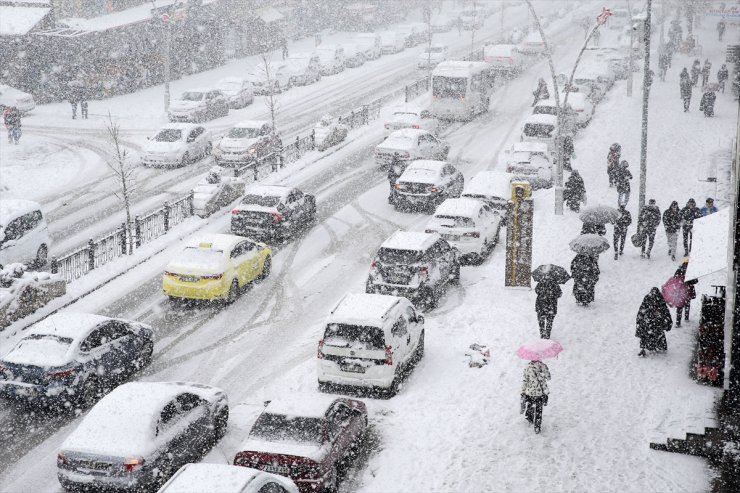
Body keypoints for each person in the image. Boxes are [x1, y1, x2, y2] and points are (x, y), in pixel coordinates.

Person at [635, 287, 673, 357]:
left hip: (648, 322)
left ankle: (644, 348)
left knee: (645, 334)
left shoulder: (647, 299)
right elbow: (665, 312)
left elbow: (641, 311)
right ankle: (659, 346)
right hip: (656, 322)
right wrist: (667, 322)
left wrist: (640, 320)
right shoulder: (660, 300)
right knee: (658, 334)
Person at [521, 359, 550, 434]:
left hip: (530, 393)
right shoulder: (542, 366)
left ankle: (529, 419)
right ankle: (537, 427)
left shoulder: (527, 367)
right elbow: (549, 377)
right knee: (539, 411)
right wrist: (543, 373)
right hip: (540, 393)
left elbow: (525, 381)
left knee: (530, 406)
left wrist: (523, 391)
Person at [673, 261, 698, 327]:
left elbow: (674, 279)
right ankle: (686, 318)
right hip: (688, 290)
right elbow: (696, 281)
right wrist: (689, 281)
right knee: (687, 304)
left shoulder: (679, 270)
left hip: (680, 290)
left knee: (680, 306)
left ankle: (678, 322)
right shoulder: (691, 270)